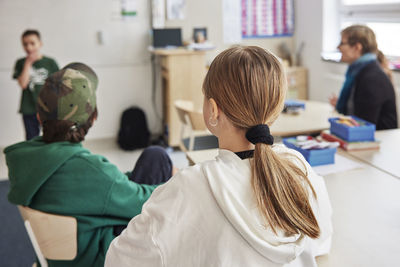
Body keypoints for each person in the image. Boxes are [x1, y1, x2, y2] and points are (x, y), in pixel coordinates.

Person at [105, 46, 333, 267]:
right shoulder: (299, 168)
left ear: (213, 111)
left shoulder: (189, 186)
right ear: (275, 108)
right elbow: (321, 243)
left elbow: (120, 259)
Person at [4, 63, 174, 267]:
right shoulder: (91, 169)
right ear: (93, 118)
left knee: (151, 159)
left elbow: (102, 188)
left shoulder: (21, 160)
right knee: (157, 158)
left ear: (39, 117)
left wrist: (119, 180)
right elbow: (144, 201)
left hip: (52, 259)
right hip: (96, 258)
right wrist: (176, 183)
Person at [329, 25, 397, 130]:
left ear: (357, 47)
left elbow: (363, 124)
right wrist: (344, 104)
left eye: (342, 43)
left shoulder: (372, 78)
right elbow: (358, 112)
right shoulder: (361, 71)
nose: (338, 47)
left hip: (380, 140)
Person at [13, 29, 59, 140]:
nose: (29, 47)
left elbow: (58, 85)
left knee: (52, 136)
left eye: (32, 43)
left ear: (40, 44)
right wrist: (28, 63)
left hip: (48, 108)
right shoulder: (20, 63)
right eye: (25, 44)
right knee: (31, 138)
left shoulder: (50, 62)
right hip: (29, 109)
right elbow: (23, 84)